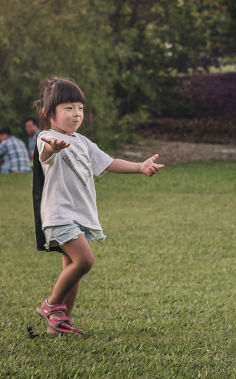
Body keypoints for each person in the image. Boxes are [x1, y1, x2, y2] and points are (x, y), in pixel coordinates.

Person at [32, 77, 164, 335]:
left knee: (72, 266)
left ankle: (60, 323)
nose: (76, 113)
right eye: (68, 108)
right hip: (59, 214)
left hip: (79, 214)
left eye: (80, 107)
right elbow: (44, 153)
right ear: (49, 113)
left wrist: (139, 167)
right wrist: (52, 147)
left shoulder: (82, 141)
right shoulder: (47, 137)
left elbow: (108, 162)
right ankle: (51, 305)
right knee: (84, 261)